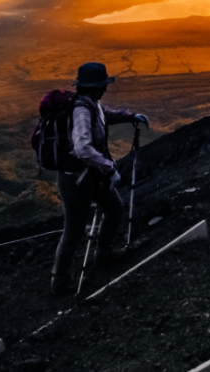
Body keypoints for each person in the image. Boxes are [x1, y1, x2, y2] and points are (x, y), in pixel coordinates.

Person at [51, 62, 149, 295]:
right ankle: (60, 281)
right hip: (76, 180)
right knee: (73, 231)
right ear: (93, 87)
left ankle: (104, 254)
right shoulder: (81, 111)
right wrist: (109, 168)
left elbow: (107, 116)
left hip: (93, 175)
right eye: (102, 85)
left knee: (114, 208)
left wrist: (130, 116)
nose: (105, 89)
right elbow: (83, 148)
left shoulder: (91, 104)